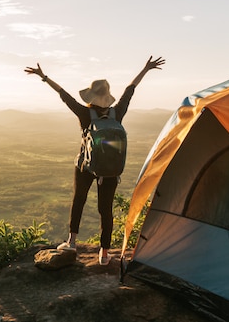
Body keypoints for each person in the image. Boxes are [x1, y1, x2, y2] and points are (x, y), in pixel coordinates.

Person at [24, 56, 165, 265]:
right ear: (108, 96)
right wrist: (146, 68)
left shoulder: (84, 113)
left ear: (91, 95)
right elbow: (130, 89)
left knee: (79, 199)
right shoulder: (118, 111)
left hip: (85, 165)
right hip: (110, 170)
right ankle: (105, 254)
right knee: (105, 209)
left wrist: (43, 76)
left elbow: (64, 95)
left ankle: (71, 241)